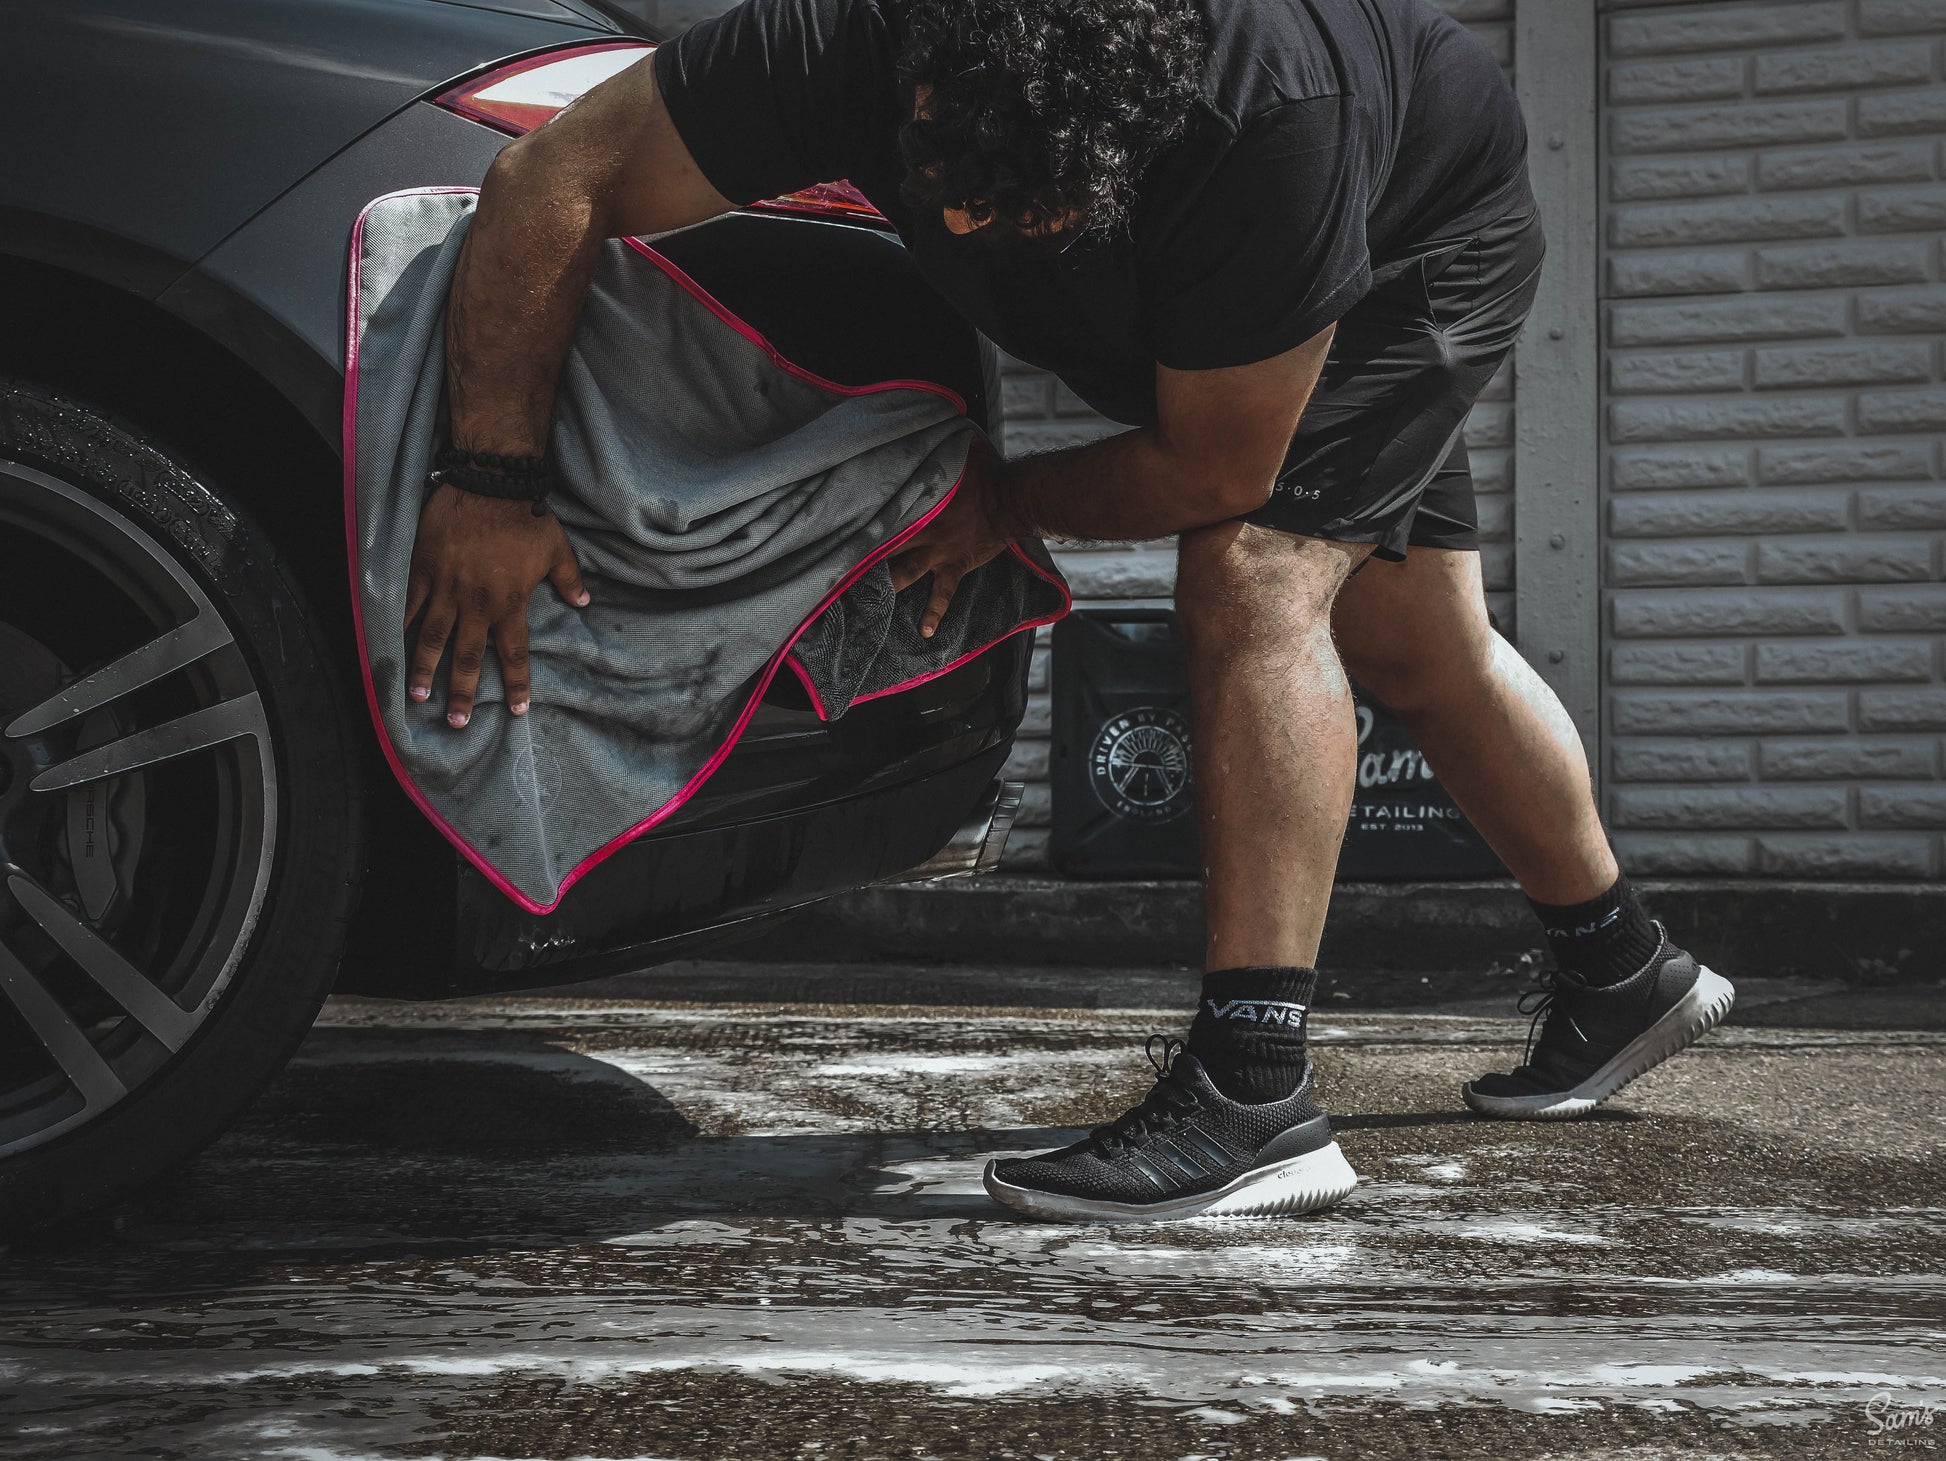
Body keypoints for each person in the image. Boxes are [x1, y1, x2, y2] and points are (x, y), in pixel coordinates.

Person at [405, 0, 1736, 1222]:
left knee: (1254, 568)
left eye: (1018, 208)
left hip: (1417, 230)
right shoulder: (841, 37)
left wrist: (1001, 500)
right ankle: (1624, 970)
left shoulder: (1253, 114)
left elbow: (1214, 468)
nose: (968, 234)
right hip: (1292, 217)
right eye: (946, 188)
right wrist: (491, 482)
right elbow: (553, 178)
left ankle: (1254, 1094)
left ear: (1121, 132)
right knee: (1411, 636)